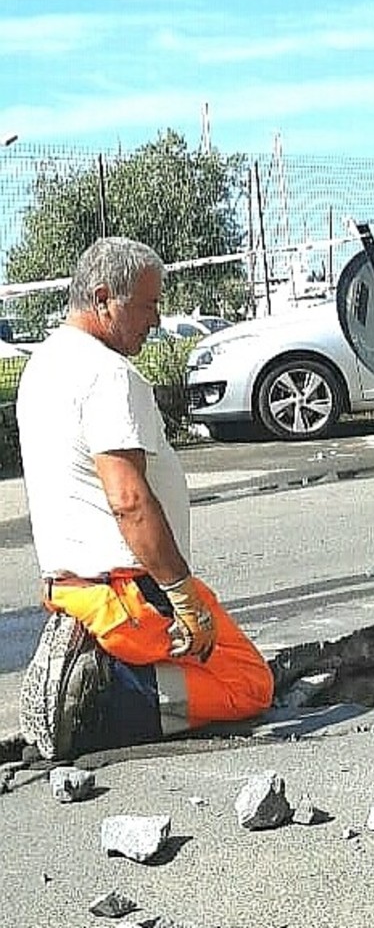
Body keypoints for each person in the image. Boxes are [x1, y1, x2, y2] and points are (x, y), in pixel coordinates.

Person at [17, 237, 274, 760]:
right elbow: (129, 500)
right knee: (250, 683)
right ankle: (101, 698)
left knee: (225, 667)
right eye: (149, 305)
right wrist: (182, 597)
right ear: (106, 297)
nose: (156, 320)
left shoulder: (44, 364)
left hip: (77, 588)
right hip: (129, 594)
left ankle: (97, 669)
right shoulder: (108, 373)